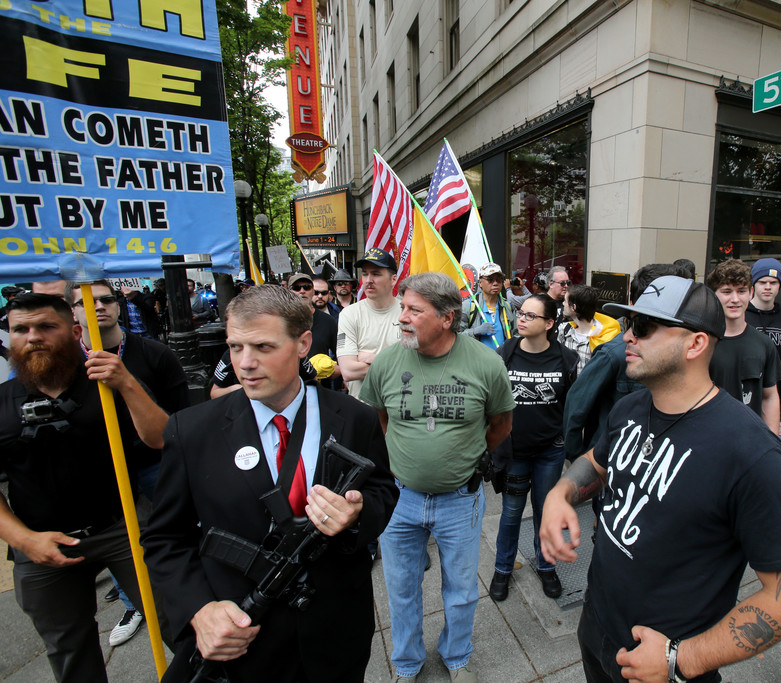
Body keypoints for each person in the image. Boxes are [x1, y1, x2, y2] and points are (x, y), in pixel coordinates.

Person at [539, 275, 781, 683]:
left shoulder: (751, 454)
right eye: (629, 323)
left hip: (662, 663)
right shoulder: (632, 407)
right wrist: (560, 494)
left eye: (644, 327)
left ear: (696, 344)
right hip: (597, 625)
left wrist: (680, 659)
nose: (628, 336)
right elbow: (598, 462)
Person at [142, 284, 398, 682]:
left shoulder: (354, 418)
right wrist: (199, 610)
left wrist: (357, 514)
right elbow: (165, 539)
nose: (245, 364)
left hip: (335, 632)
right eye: (235, 347)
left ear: (303, 344)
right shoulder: (192, 431)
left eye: (263, 347)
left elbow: (382, 490)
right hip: (246, 641)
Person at [0, 293, 169, 682]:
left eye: (46, 326)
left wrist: (127, 383)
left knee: (173, 617)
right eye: (20, 329)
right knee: (69, 648)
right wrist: (24, 541)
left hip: (121, 527)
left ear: (76, 332)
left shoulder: (107, 384)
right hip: (40, 542)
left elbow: (161, 437)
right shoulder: (2, 403)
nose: (33, 337)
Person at [360, 272, 515, 682]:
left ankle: (457, 655)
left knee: (462, 590)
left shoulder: (486, 363)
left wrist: (464, 455)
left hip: (460, 500)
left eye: (414, 310)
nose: (402, 317)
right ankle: (406, 663)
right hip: (398, 500)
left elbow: (501, 424)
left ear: (447, 318)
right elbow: (378, 420)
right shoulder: (388, 362)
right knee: (400, 589)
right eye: (403, 308)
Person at [67, 279, 189, 646]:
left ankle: (183, 600)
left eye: (106, 299)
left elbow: (181, 422)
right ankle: (132, 603)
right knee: (118, 542)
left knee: (173, 535)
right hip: (99, 475)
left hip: (155, 466)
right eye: (86, 301)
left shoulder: (155, 354)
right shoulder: (64, 364)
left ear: (119, 305)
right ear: (73, 312)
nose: (98, 306)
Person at [490, 293, 577, 603]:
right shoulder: (505, 352)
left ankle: (546, 566)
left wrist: (566, 440)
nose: (521, 319)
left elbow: (572, 404)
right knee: (511, 513)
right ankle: (502, 569)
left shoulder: (566, 359)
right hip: (514, 452)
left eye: (530, 315)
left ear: (549, 323)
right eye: (521, 313)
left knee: (545, 510)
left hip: (549, 452)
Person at [562, 263, 681, 462]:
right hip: (610, 461)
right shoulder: (614, 354)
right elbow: (576, 405)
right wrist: (579, 459)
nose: (630, 337)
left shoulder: (684, 356)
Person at [707, 259, 781, 434]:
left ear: (751, 293)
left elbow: (769, 396)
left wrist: (770, 440)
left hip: (749, 437)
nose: (735, 299)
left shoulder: (764, 344)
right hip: (708, 436)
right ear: (713, 295)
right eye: (727, 291)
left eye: (741, 291)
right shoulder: (700, 342)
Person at [337, 249, 402, 401]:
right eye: (365, 274)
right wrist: (395, 362)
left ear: (393, 279)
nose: (368, 280)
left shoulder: (408, 312)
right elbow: (348, 371)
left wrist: (368, 357)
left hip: (399, 406)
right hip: (362, 407)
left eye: (376, 274)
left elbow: (416, 365)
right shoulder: (349, 314)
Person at [746, 258, 781, 439]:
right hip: (745, 396)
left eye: (773, 283)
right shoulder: (741, 316)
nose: (768, 287)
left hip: (773, 399)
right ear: (754, 284)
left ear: (779, 286)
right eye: (762, 282)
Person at [557, 284, 621, 375]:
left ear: (574, 307)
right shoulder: (564, 330)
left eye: (565, 301)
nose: (563, 303)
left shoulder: (606, 336)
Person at [461, 262, 516, 350]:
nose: (495, 283)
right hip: (477, 358)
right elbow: (455, 337)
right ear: (480, 283)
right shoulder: (468, 306)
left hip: (503, 358)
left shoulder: (508, 306)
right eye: (490, 280)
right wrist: (474, 332)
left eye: (499, 280)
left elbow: (516, 334)